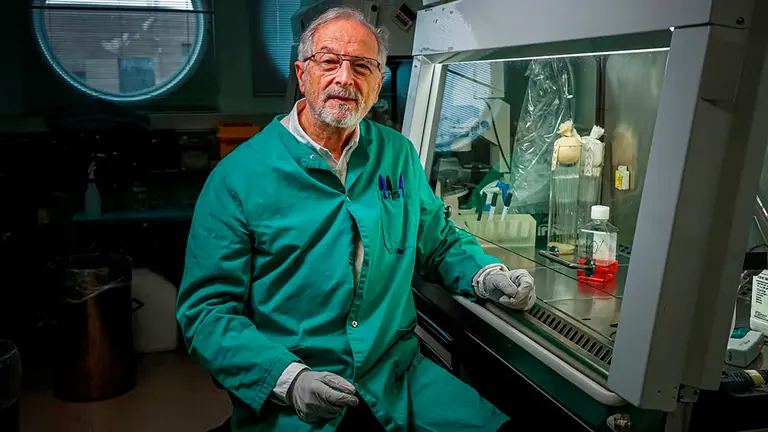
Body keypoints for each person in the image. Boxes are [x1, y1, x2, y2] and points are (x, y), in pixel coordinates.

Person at [177, 7, 535, 432]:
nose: (345, 78)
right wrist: (289, 381)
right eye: (329, 61)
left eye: (362, 65)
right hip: (297, 395)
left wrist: (485, 275)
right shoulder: (238, 177)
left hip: (397, 379)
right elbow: (206, 313)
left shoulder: (397, 154)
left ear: (379, 82)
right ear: (301, 72)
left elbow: (437, 242)